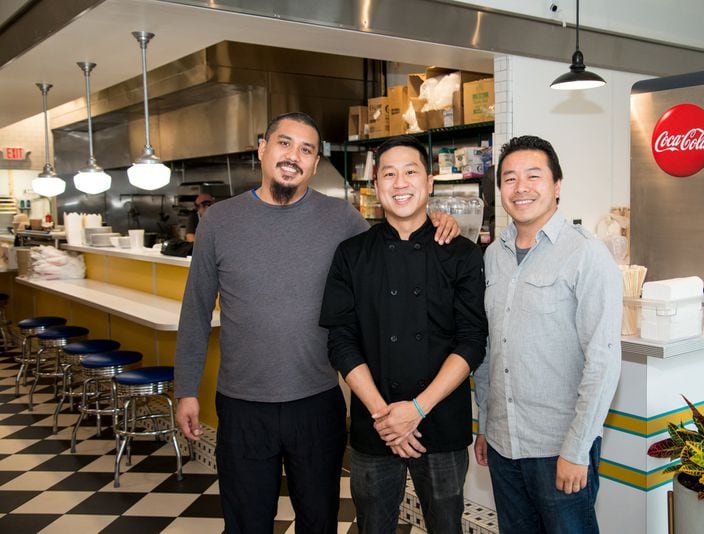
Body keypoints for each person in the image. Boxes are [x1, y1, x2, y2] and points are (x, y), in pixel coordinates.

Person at [173, 112, 460, 534]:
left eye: (306, 149)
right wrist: (186, 390)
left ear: (314, 161)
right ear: (262, 149)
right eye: (285, 144)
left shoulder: (341, 218)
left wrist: (436, 218)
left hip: (318, 401)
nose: (294, 156)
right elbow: (195, 310)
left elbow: (393, 243)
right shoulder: (219, 220)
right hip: (242, 404)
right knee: (246, 524)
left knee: (320, 521)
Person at [319, 135, 488, 534]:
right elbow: (340, 341)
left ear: (429, 182)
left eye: (410, 172)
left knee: (446, 524)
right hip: (374, 424)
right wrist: (385, 415)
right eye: (389, 175)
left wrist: (416, 410)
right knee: (373, 525)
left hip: (441, 423)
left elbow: (471, 340)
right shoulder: (351, 254)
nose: (400, 183)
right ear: (376, 187)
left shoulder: (462, 254)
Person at [473, 135, 622, 534]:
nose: (521, 187)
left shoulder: (586, 255)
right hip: (504, 444)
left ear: (557, 186)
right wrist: (486, 425)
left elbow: (604, 361)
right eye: (509, 178)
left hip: (559, 446)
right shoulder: (493, 254)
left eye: (533, 176)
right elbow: (490, 350)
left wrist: (577, 450)